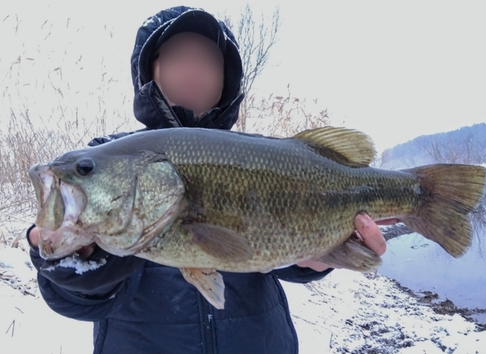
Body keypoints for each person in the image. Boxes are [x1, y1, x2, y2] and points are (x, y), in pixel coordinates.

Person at [27, 6, 387, 354]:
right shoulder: (111, 155)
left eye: (207, 61)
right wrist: (74, 269)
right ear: (151, 72)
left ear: (225, 78)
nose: (193, 72)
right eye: (178, 58)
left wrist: (321, 256)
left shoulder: (264, 155)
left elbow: (279, 257)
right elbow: (79, 300)